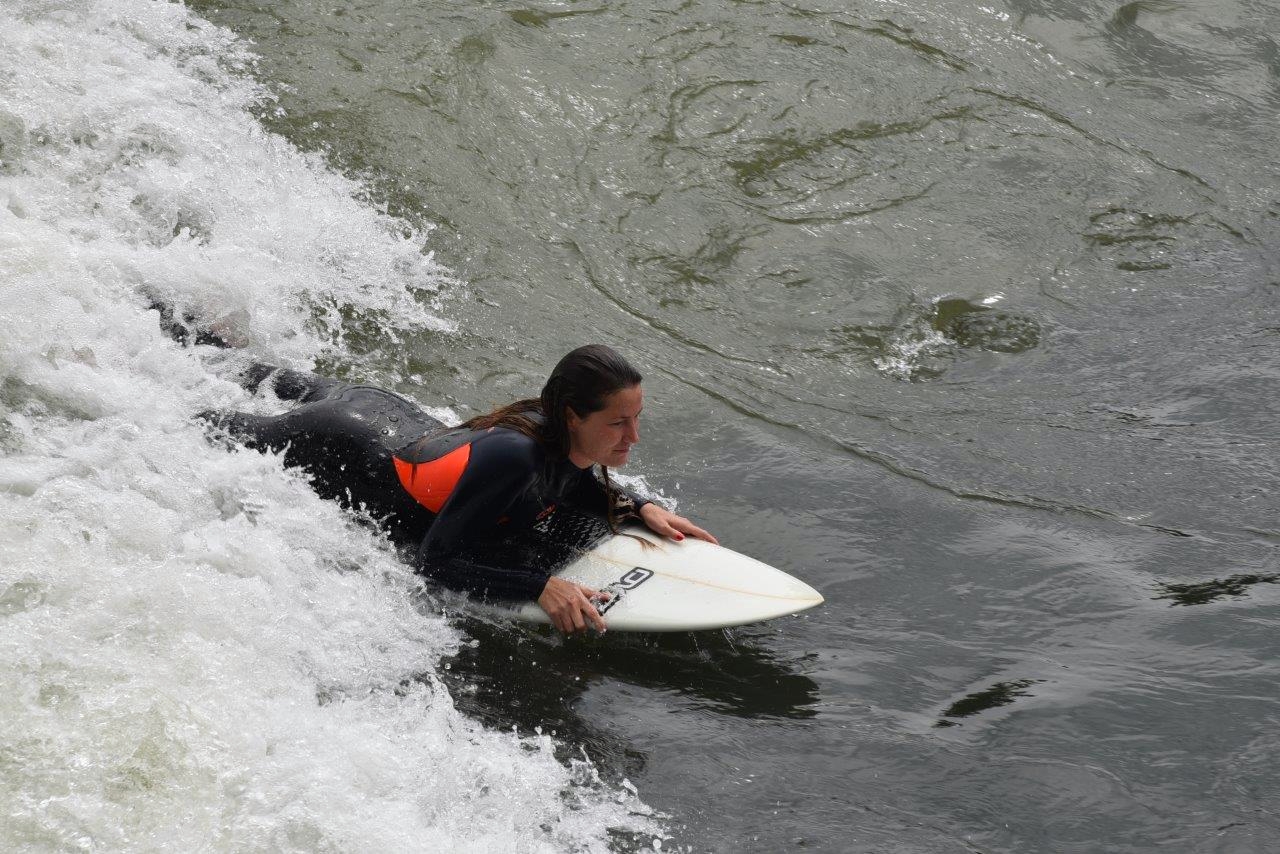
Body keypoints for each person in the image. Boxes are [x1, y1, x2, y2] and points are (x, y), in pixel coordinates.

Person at [171, 313, 717, 634]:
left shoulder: (558, 439)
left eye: (637, 419)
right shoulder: (515, 457)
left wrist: (638, 506)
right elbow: (434, 563)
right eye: (618, 423)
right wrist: (540, 587)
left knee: (226, 362)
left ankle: (171, 322)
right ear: (573, 416)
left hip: (381, 411)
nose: (633, 437)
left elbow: (571, 481)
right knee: (188, 419)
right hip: (336, 441)